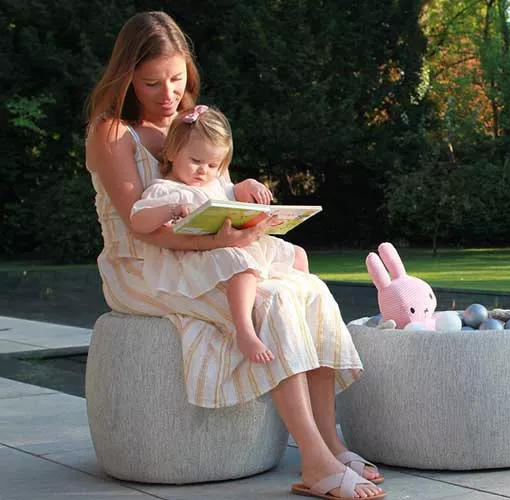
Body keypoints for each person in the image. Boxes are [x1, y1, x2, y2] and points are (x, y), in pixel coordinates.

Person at [85, 11, 385, 499]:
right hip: (142, 266)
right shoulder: (114, 132)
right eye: (151, 83)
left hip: (210, 254)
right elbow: (145, 231)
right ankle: (315, 463)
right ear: (127, 78)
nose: (167, 94)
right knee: (272, 304)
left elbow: (216, 197)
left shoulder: (192, 123)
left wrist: (244, 215)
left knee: (308, 289)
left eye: (177, 79)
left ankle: (331, 443)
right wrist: (220, 242)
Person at [130, 104, 307, 364]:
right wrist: (171, 210)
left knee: (298, 255)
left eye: (213, 164)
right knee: (242, 265)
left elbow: (237, 194)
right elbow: (138, 220)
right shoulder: (166, 189)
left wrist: (251, 186)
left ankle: (301, 312)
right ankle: (244, 330)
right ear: (172, 152)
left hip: (238, 243)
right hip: (198, 254)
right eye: (196, 161)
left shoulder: (217, 186)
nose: (204, 171)